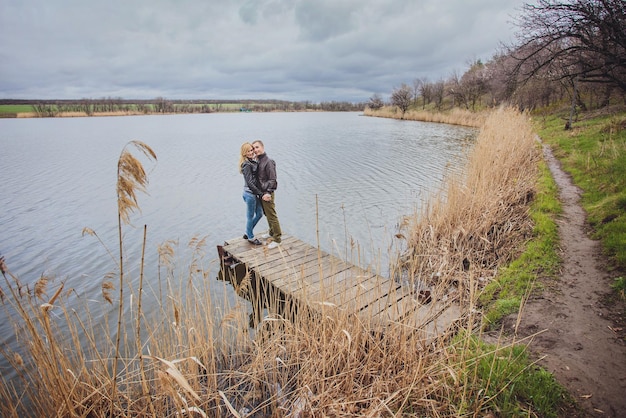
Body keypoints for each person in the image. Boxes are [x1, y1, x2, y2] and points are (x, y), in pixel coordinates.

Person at [253, 140, 282, 249]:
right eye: (254, 148)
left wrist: (268, 192)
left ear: (262, 147)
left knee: (272, 215)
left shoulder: (268, 161)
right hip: (262, 193)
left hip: (267, 193)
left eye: (257, 147)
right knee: (266, 214)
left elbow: (273, 179)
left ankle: (278, 239)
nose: (255, 150)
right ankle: (271, 232)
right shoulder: (259, 161)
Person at [239, 142, 264, 245]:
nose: (251, 152)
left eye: (251, 150)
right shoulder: (246, 164)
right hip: (250, 194)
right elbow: (249, 183)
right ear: (244, 153)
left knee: (260, 213)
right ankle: (250, 237)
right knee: (250, 216)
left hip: (252, 194)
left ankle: (247, 232)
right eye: (248, 151)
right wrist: (260, 193)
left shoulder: (251, 161)